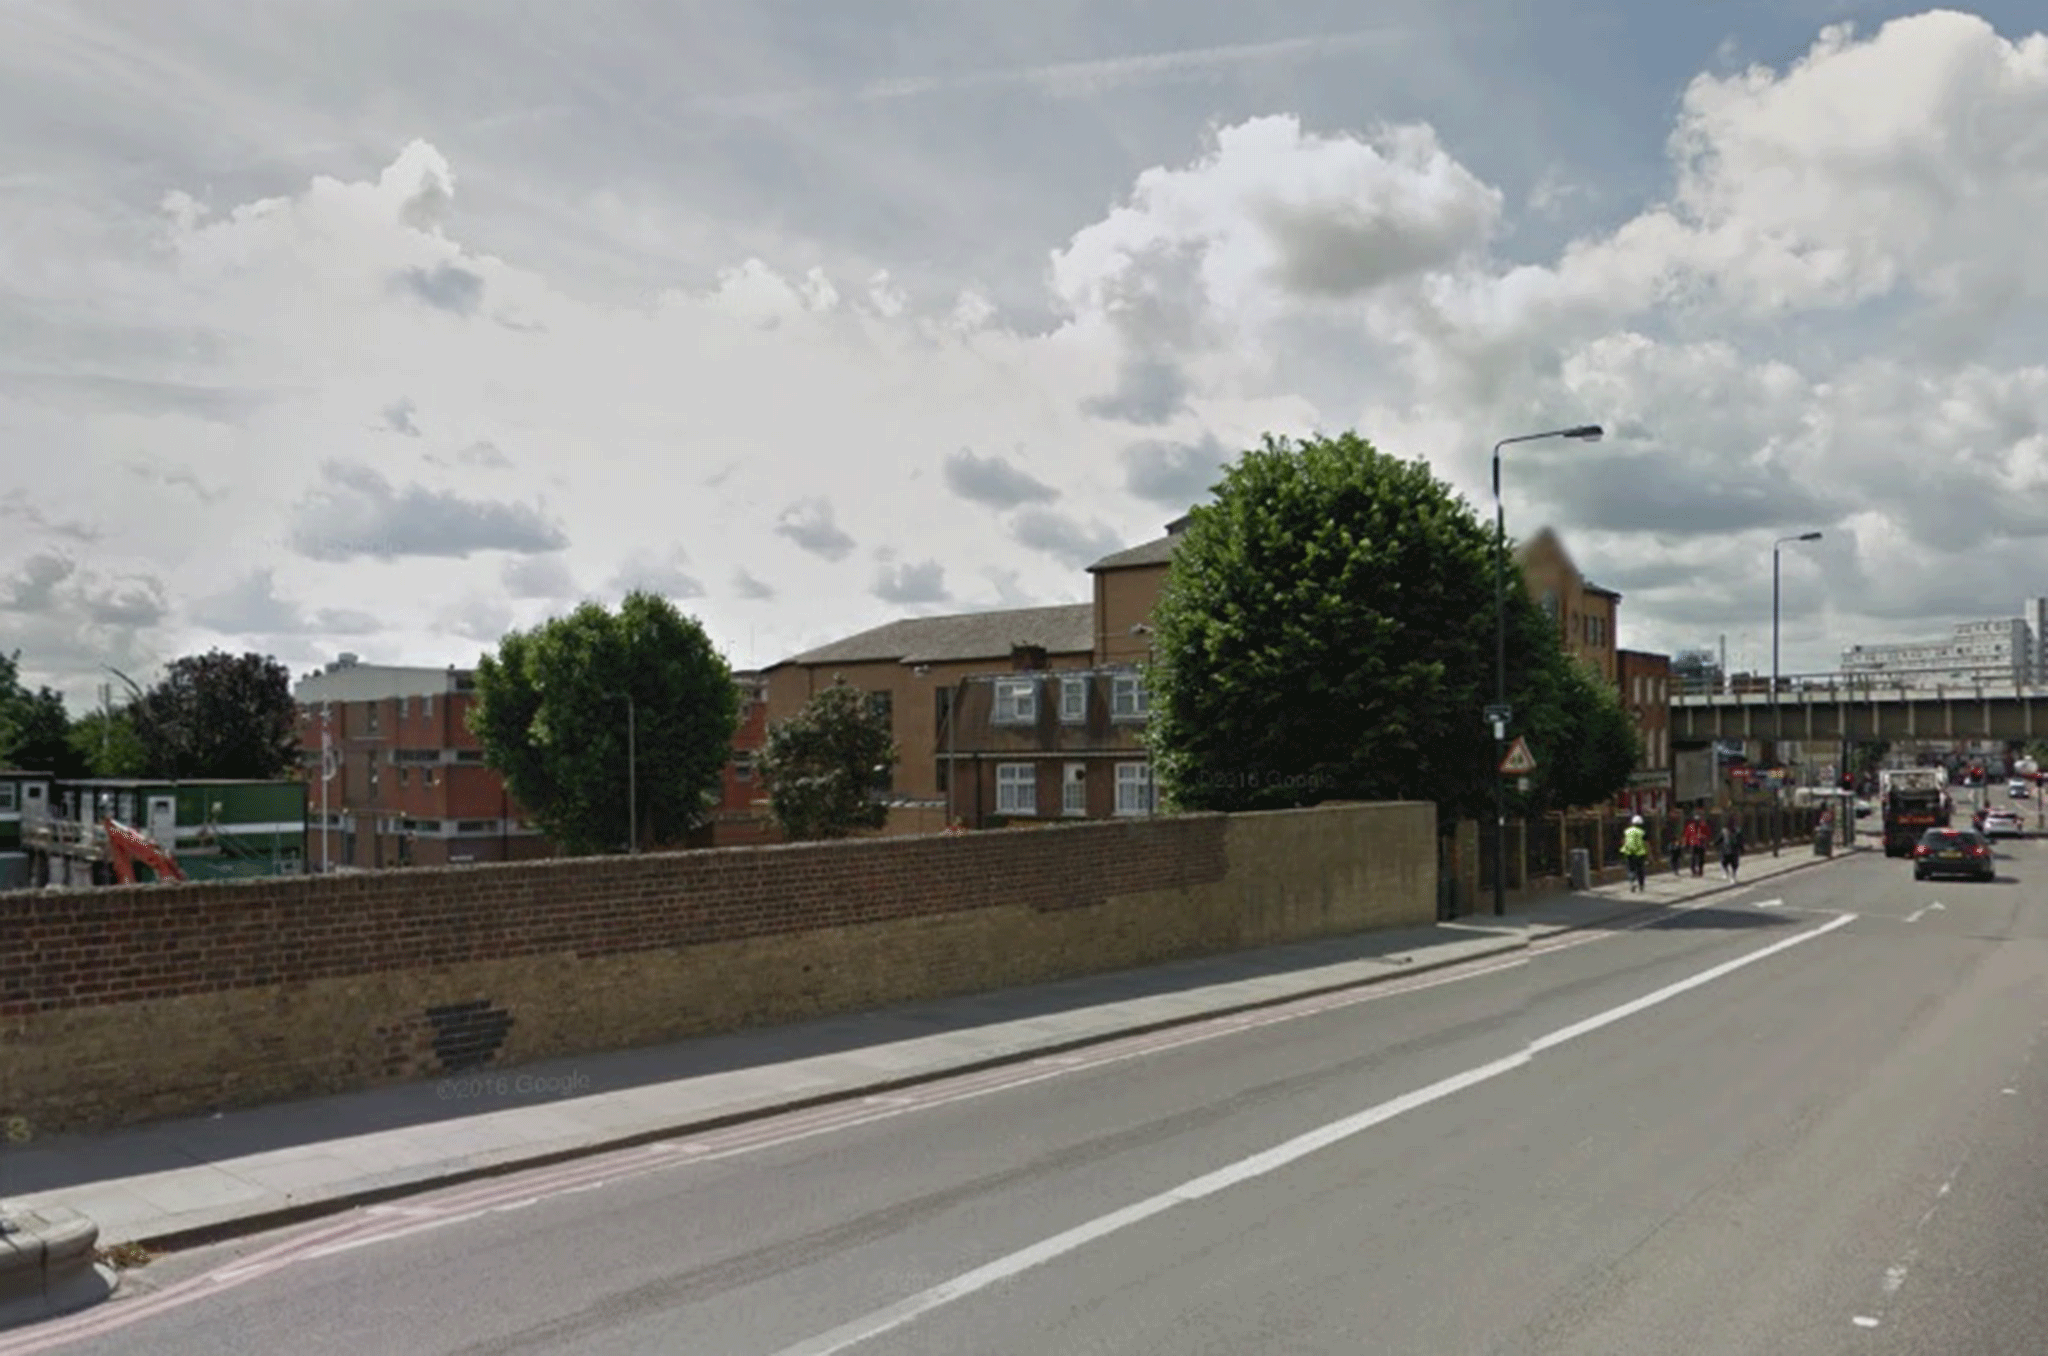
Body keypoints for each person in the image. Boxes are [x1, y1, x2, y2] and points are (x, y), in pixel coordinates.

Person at [1620, 814, 1649, 892]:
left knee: (1630, 869)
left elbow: (1624, 841)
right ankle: (1641, 885)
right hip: (1640, 853)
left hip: (1629, 852)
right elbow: (1646, 843)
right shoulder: (1642, 832)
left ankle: (1632, 883)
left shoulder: (1627, 831)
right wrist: (1650, 855)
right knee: (1640, 869)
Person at [1683, 812, 1711, 877]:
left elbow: (1708, 834)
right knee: (1693, 858)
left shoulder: (1703, 826)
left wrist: (1704, 838)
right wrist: (1686, 844)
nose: (1697, 822)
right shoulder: (1691, 827)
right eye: (1696, 821)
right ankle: (1693, 871)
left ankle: (1700, 871)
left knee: (1701, 858)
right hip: (1693, 844)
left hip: (1701, 843)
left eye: (1698, 821)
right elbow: (1687, 835)